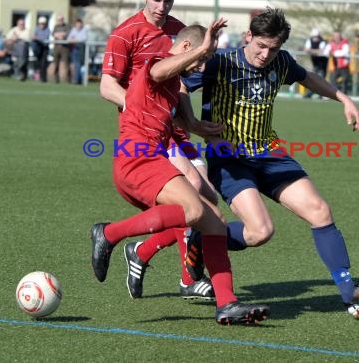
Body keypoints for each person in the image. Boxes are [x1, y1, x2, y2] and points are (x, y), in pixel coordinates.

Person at [182, 8, 359, 318]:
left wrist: (344, 99)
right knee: (260, 232)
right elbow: (180, 84)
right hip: (229, 158)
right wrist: (194, 124)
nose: (266, 54)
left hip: (269, 152)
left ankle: (350, 295)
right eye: (261, 46)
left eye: (274, 48)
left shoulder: (281, 62)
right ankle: (204, 237)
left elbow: (309, 78)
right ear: (248, 36)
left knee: (320, 211)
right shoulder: (220, 62)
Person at [90, 19, 270, 325]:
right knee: (192, 208)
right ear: (186, 48)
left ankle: (226, 303)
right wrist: (202, 48)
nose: (201, 67)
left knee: (214, 222)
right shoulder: (157, 63)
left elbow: (182, 122)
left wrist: (200, 127)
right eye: (200, 59)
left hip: (153, 159)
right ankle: (108, 234)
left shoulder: (175, 86)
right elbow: (158, 72)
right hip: (137, 161)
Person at [99, 0, 217, 301]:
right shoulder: (126, 33)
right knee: (193, 193)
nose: (162, 7)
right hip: (147, 130)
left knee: (207, 200)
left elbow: (179, 81)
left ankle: (143, 252)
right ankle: (186, 279)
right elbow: (107, 86)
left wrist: (190, 122)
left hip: (173, 124)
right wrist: (141, 108)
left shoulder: (180, 31)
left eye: (168, 0)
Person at [302, 28, 328, 99]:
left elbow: (321, 51)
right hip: (315, 62)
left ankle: (321, 94)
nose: (315, 38)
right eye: (314, 37)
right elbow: (306, 50)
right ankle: (310, 93)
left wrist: (311, 50)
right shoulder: (309, 41)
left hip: (323, 63)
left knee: (321, 78)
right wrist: (315, 51)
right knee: (313, 78)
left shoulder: (322, 42)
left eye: (316, 36)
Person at [49, 14, 70, 83]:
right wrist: (60, 35)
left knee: (65, 64)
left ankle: (67, 79)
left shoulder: (67, 26)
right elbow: (53, 34)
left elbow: (67, 34)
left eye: (61, 19)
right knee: (56, 64)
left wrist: (60, 35)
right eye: (59, 19)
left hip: (65, 48)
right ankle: (56, 79)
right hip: (56, 47)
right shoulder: (56, 26)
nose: (60, 21)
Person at [67, 18, 88, 84]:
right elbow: (69, 39)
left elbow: (84, 39)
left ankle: (78, 80)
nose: (78, 25)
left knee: (79, 65)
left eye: (79, 24)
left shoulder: (84, 30)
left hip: (81, 49)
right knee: (75, 65)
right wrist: (74, 40)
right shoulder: (73, 30)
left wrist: (75, 39)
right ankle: (76, 79)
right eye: (77, 24)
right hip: (74, 49)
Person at [32, 16, 50, 83]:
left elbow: (44, 38)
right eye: (41, 23)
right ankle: (37, 76)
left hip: (44, 48)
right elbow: (33, 36)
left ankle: (43, 78)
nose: (42, 25)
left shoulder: (47, 29)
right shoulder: (36, 29)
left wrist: (37, 38)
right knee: (37, 63)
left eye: (43, 23)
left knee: (43, 63)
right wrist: (37, 38)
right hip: (38, 47)